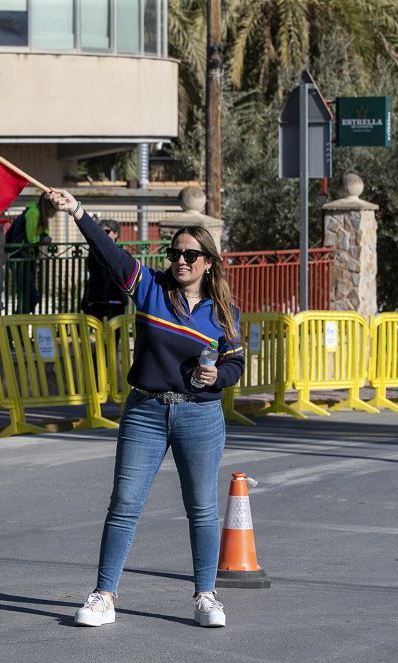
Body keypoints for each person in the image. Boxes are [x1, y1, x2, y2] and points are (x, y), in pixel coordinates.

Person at [46, 189, 244, 629]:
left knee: (202, 508)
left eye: (191, 255)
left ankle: (206, 596)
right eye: (175, 253)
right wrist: (78, 211)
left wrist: (220, 377)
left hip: (200, 416)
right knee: (124, 504)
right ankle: (103, 595)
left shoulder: (225, 312)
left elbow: (236, 363)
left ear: (208, 262)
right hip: (146, 412)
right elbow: (110, 252)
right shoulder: (150, 288)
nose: (181, 261)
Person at [4, 192, 55, 313]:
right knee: (30, 297)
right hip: (18, 257)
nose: (56, 213)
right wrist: (43, 239)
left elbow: (44, 234)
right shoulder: (34, 213)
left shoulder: (40, 215)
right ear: (49, 207)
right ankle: (17, 326)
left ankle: (20, 325)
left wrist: (45, 237)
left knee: (27, 297)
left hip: (27, 258)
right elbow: (32, 239)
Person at [79, 219, 129, 320]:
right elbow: (96, 273)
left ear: (116, 234)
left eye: (106, 231)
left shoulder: (121, 253)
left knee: (115, 333)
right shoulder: (93, 253)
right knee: (100, 333)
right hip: (98, 299)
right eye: (100, 231)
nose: (103, 234)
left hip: (116, 299)